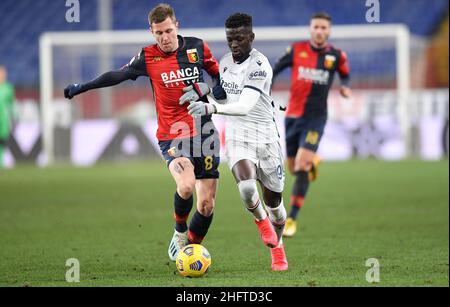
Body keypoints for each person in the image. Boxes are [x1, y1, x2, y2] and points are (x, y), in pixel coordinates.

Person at [64, 3, 226, 261]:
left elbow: (221, 81)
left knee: (206, 205)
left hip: (204, 133)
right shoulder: (148, 57)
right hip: (172, 134)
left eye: (168, 31)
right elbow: (118, 75)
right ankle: (179, 230)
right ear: (152, 32)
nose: (164, 38)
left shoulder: (197, 47)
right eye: (158, 33)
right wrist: (82, 87)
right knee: (185, 186)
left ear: (177, 27)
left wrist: (205, 90)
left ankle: (189, 252)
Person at [180, 13, 288, 271]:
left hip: (266, 139)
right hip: (239, 138)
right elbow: (225, 95)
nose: (234, 44)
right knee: (247, 189)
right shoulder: (226, 62)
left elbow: (245, 106)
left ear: (251, 37)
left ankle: (279, 247)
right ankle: (262, 224)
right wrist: (206, 91)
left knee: (275, 205)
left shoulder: (260, 65)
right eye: (230, 39)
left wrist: (211, 109)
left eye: (239, 38)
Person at [272, 12, 351, 237]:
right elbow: (274, 70)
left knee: (302, 165)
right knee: (294, 168)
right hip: (293, 117)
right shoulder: (296, 50)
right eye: (316, 27)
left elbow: (345, 74)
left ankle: (292, 219)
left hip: (316, 118)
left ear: (329, 31)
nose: (319, 31)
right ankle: (312, 161)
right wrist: (265, 88)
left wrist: (345, 86)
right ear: (310, 29)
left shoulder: (336, 56)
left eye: (324, 28)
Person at [0, 65, 16, 168]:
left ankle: (1, 162)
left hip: (3, 119)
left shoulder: (8, 88)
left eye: (3, 73)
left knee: (2, 140)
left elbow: (11, 104)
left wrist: (13, 117)